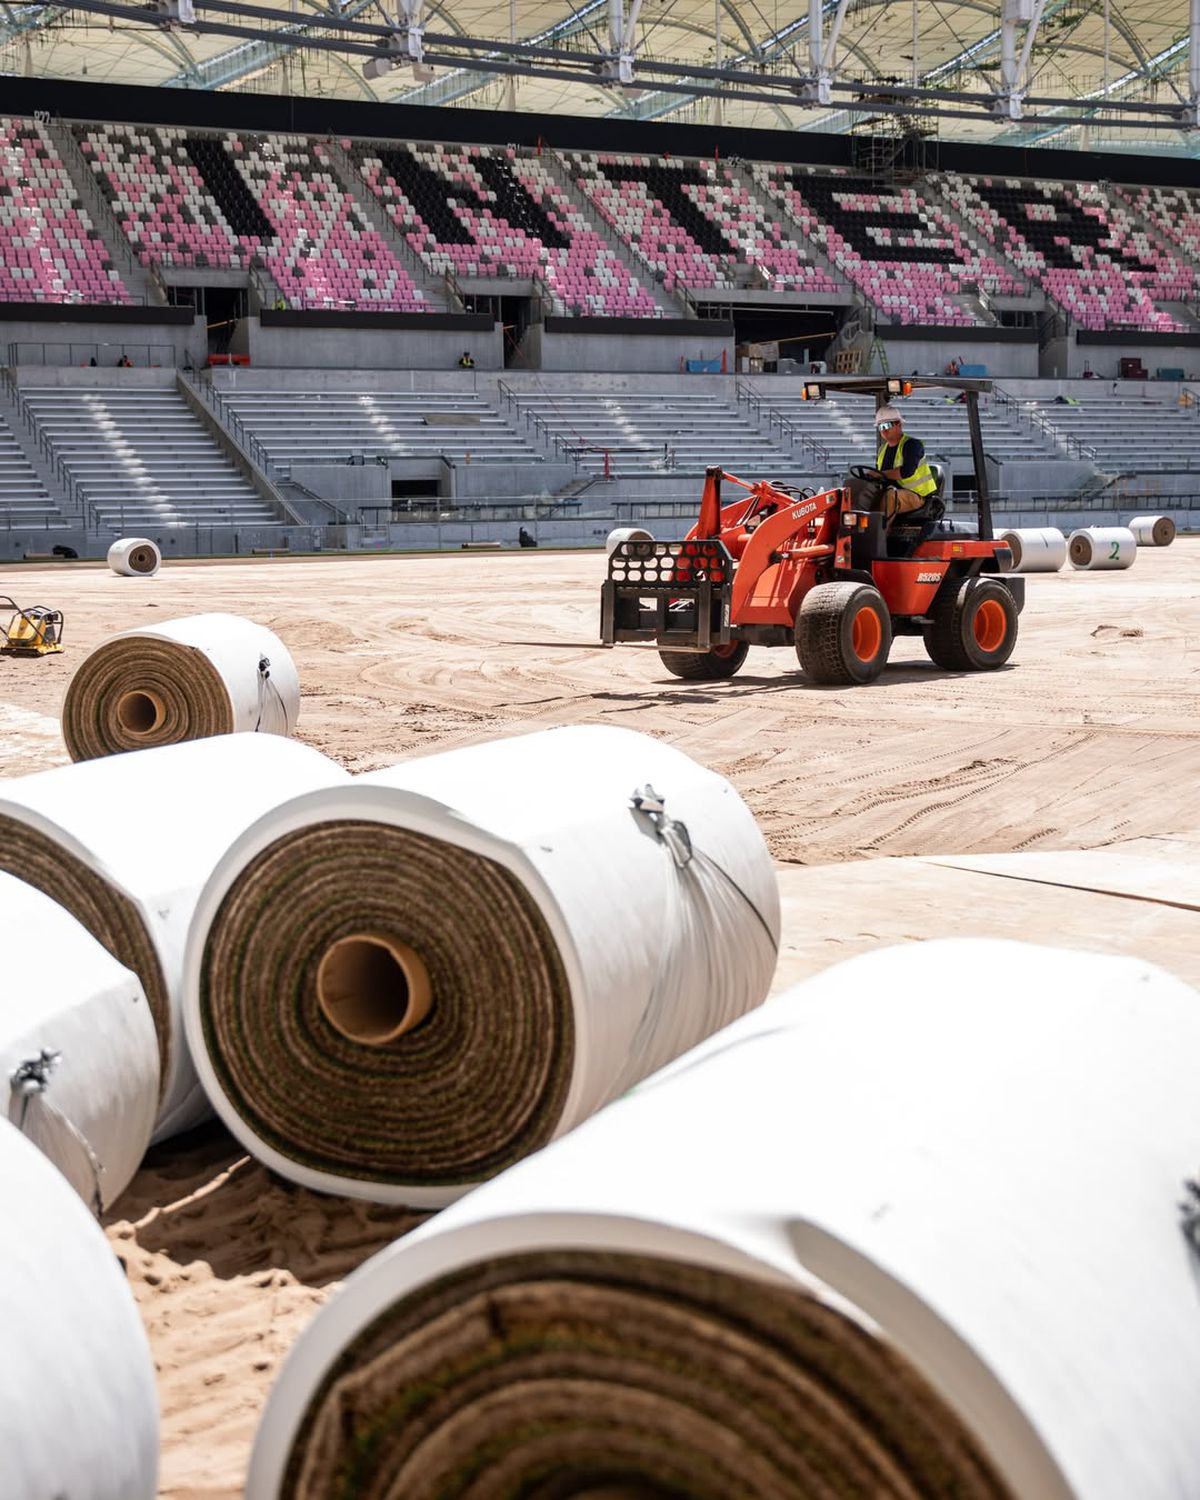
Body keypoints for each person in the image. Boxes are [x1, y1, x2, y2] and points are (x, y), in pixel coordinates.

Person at [873, 405, 937, 520]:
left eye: (887, 425)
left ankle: (879, 535)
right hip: (893, 491)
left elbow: (906, 472)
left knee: (890, 497)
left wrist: (879, 474)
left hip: (917, 496)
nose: (884, 430)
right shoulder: (882, 449)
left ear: (899, 424)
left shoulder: (912, 445)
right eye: (880, 426)